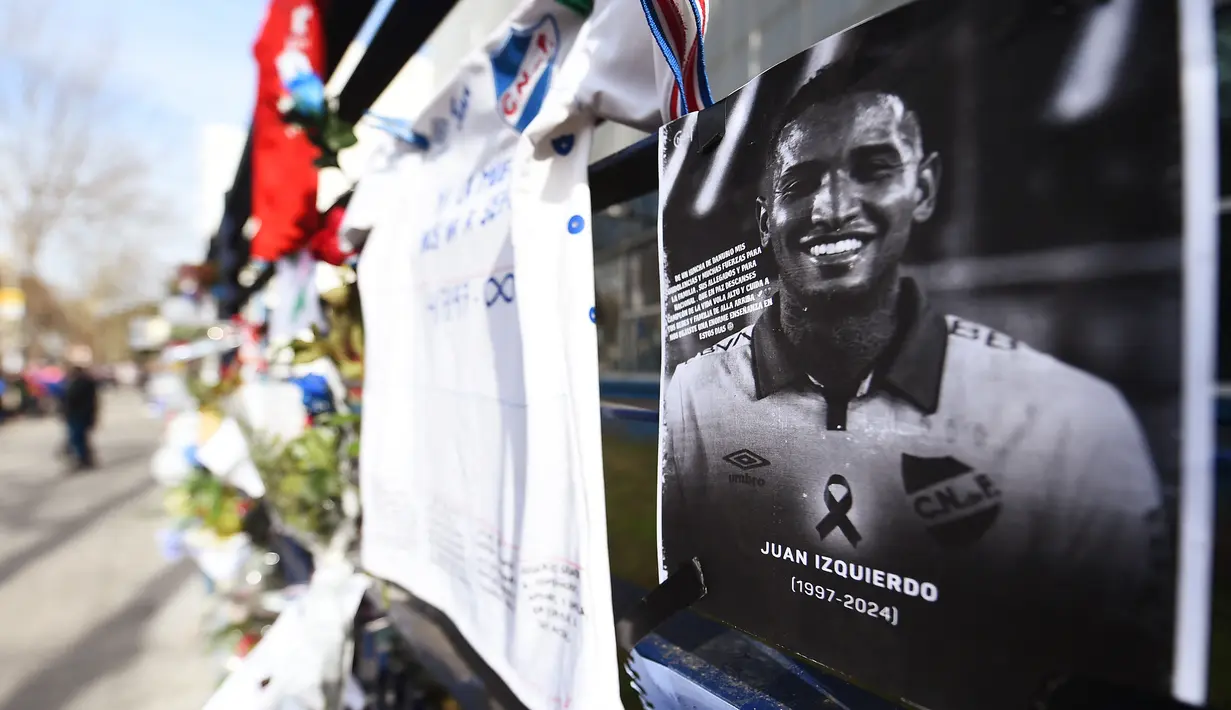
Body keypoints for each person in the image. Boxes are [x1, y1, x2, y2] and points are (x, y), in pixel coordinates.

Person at [659, 76, 1168, 708]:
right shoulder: (696, 396)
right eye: (802, 182)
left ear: (921, 190)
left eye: (874, 169)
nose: (834, 205)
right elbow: (685, 607)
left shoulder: (1071, 423)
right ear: (766, 221)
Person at [61, 362, 99, 470]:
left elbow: (71, 398)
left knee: (78, 438)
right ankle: (84, 458)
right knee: (80, 438)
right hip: (80, 415)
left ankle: (82, 459)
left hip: (78, 414)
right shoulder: (84, 383)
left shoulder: (80, 384)